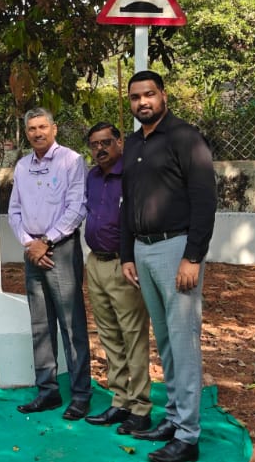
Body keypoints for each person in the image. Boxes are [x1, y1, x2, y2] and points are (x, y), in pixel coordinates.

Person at [120, 71, 217, 462]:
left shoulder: (185, 137)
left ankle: (188, 437)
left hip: (177, 250)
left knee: (183, 343)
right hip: (142, 251)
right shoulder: (132, 144)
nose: (142, 102)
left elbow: (205, 200)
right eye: (135, 97)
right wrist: (127, 254)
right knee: (165, 341)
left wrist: (193, 256)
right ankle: (174, 419)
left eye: (149, 94)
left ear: (163, 95)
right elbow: (128, 202)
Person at [7, 107, 92, 420]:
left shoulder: (71, 161)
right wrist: (30, 243)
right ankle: (48, 391)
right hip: (33, 251)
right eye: (32, 128)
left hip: (61, 250)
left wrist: (47, 241)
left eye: (43, 127)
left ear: (54, 129)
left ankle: (81, 395)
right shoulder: (22, 166)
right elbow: (14, 211)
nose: (37, 133)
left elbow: (77, 207)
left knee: (71, 324)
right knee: (40, 324)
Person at [82, 122, 155, 436]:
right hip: (95, 263)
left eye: (106, 142)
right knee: (109, 335)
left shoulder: (133, 175)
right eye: (94, 144)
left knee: (132, 335)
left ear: (119, 142)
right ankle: (120, 400)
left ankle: (140, 408)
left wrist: (132, 259)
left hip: (123, 264)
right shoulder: (92, 177)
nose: (100, 149)